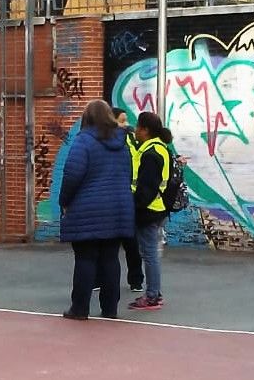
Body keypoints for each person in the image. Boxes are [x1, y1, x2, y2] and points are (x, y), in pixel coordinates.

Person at [59, 100, 135, 320]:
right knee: (111, 259)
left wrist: (65, 201)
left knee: (85, 258)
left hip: (88, 209)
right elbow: (127, 174)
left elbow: (73, 174)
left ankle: (80, 308)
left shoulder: (84, 141)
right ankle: (110, 309)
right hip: (118, 209)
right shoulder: (123, 143)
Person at [128, 111, 171, 311]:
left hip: (148, 211)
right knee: (150, 253)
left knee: (149, 254)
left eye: (138, 127)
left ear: (145, 130)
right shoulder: (160, 149)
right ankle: (154, 293)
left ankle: (153, 296)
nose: (135, 130)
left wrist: (135, 206)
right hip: (157, 208)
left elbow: (146, 188)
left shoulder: (150, 154)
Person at [110, 107, 144, 293]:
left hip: (130, 195)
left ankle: (136, 279)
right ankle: (101, 279)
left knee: (131, 242)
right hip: (114, 195)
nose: (127, 124)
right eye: (122, 121)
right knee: (108, 243)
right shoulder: (105, 140)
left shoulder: (131, 139)